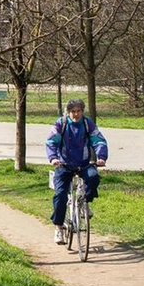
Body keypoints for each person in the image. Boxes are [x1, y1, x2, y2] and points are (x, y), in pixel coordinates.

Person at [45, 99, 108, 244]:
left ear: (82, 111)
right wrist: (53, 158)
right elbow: (51, 142)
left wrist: (101, 157)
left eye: (79, 111)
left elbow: (99, 141)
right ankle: (59, 227)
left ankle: (83, 202)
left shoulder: (87, 124)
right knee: (60, 194)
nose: (76, 114)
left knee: (93, 178)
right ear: (68, 112)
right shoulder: (61, 124)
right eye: (73, 111)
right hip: (64, 164)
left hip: (84, 163)